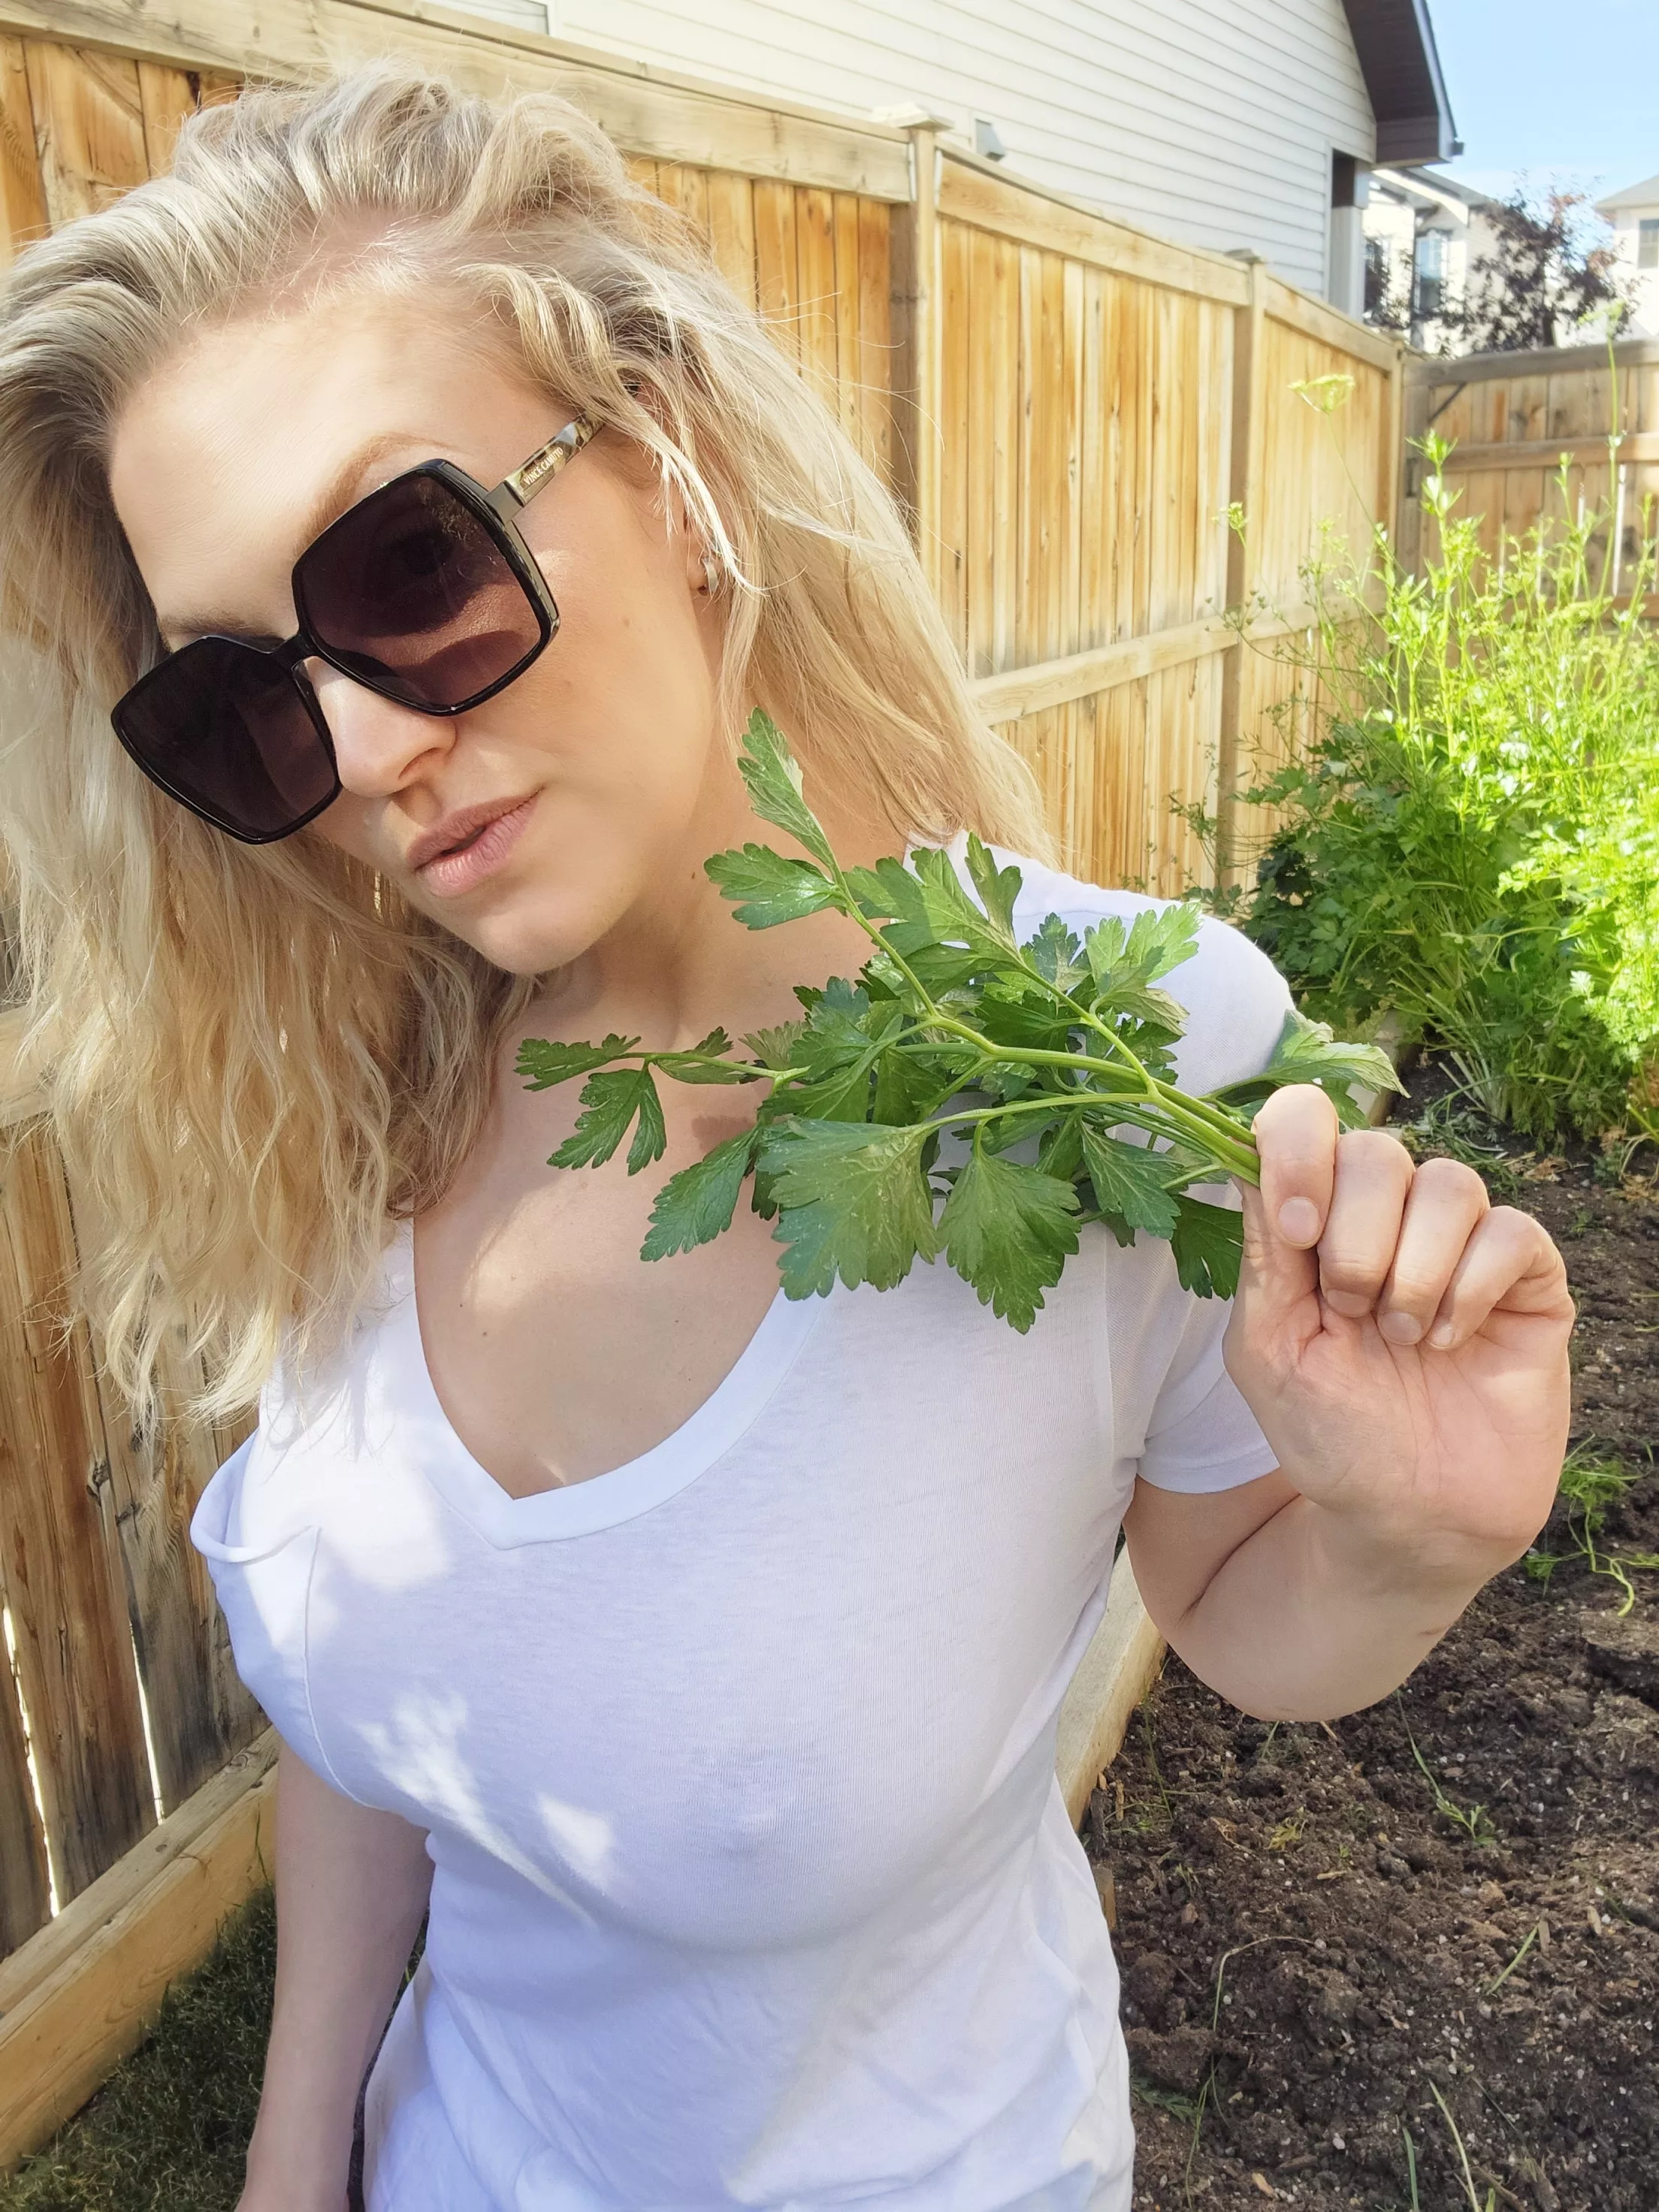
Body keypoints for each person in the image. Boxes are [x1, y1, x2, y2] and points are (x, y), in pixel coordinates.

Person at [0, 68, 1572, 2212]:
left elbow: (1230, 1604)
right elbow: (391, 1711)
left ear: (678, 466)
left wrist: (1410, 1543)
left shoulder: (1097, 1057)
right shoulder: (357, 1091)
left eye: (409, 561)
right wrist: (299, 2157)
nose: (360, 753)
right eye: (242, 696)